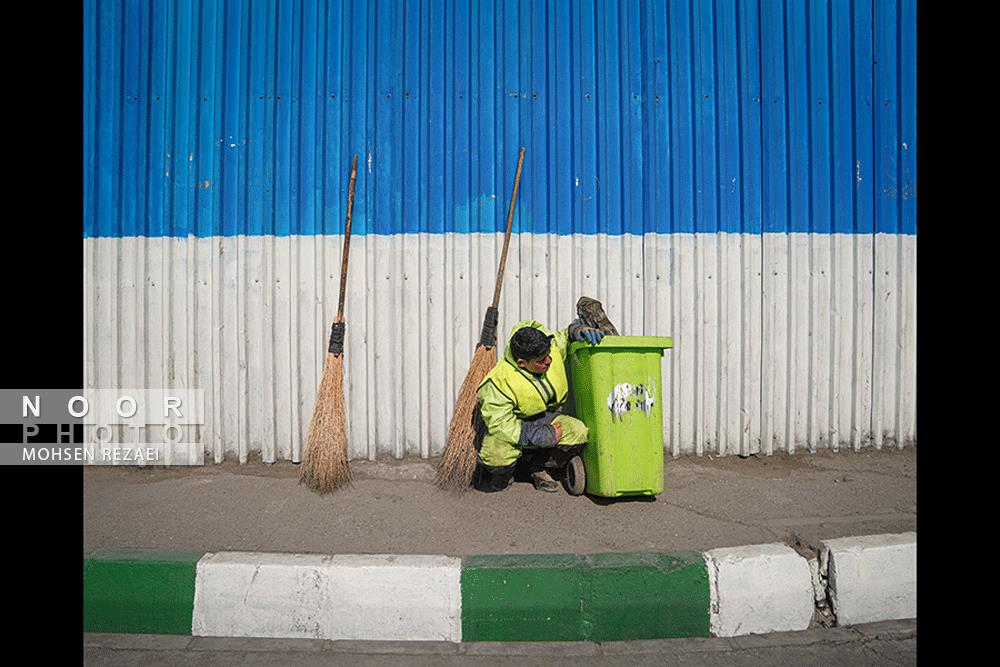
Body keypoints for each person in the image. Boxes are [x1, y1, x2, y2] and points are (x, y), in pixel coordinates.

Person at [474, 316, 606, 492]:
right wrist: (544, 435)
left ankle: (538, 468)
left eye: (548, 356)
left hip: (546, 416)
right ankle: (504, 473)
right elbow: (500, 425)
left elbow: (565, 336)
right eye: (541, 361)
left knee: (578, 431)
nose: (549, 361)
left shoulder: (549, 350)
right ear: (522, 363)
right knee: (496, 454)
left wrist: (577, 330)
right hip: (516, 424)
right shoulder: (497, 383)